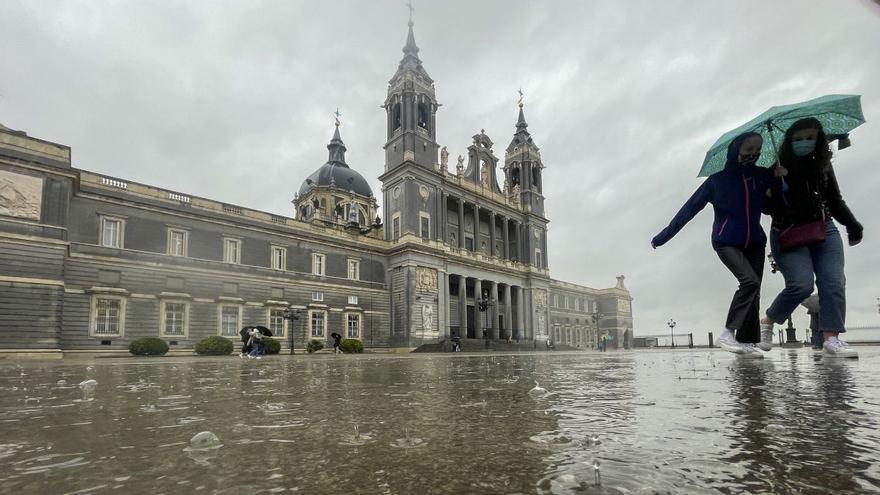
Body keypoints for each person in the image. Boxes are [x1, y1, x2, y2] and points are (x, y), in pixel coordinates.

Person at [652, 132, 775, 357]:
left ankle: (747, 342)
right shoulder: (718, 180)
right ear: (736, 150)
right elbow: (689, 209)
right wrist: (663, 236)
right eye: (748, 150)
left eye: (758, 150)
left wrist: (779, 181)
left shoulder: (761, 176)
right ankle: (728, 333)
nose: (753, 154)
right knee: (749, 281)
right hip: (726, 240)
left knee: (754, 290)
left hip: (755, 241)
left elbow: (772, 207)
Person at [760, 118, 862, 358]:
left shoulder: (823, 165)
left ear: (818, 140)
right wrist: (777, 184)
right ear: (789, 141)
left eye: (810, 138)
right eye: (798, 139)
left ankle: (831, 339)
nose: (804, 143)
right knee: (801, 285)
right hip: (788, 231)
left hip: (823, 227)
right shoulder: (775, 165)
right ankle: (768, 319)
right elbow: (767, 208)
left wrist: (852, 225)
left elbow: (835, 200)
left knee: (833, 281)